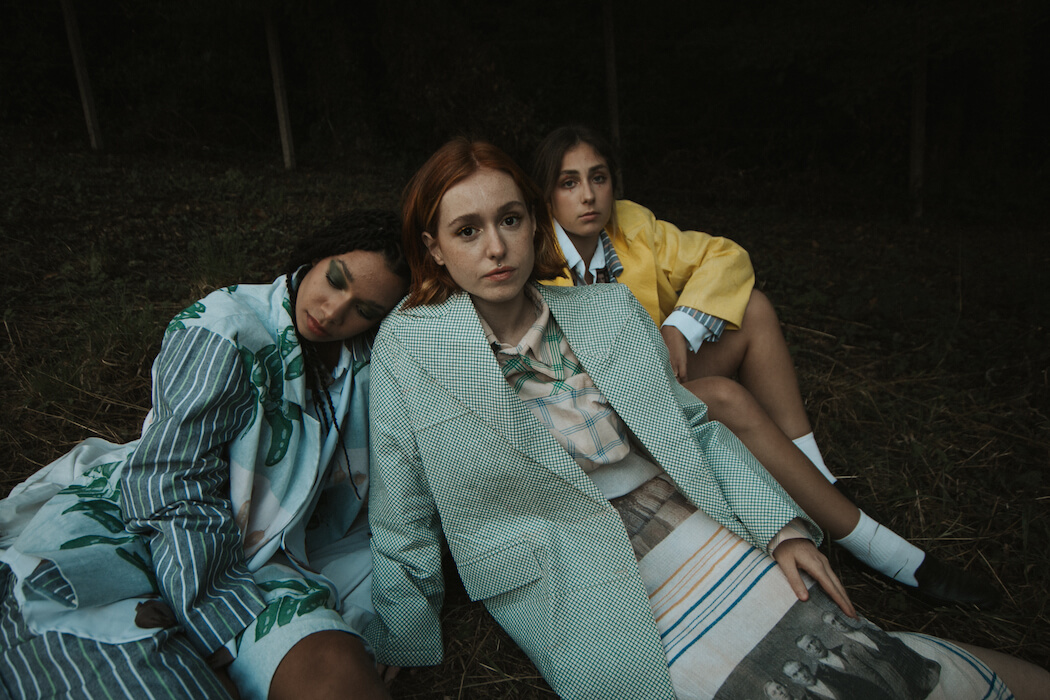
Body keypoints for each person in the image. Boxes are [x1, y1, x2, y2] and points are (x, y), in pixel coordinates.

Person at [364, 138, 1049, 699]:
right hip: (561, 568)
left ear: (533, 224)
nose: (495, 247)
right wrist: (402, 634)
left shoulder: (606, 310)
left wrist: (779, 529)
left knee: (859, 659)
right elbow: (402, 505)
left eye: (510, 220)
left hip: (680, 516)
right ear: (434, 247)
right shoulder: (408, 347)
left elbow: (694, 427)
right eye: (468, 230)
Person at [530, 124, 999, 608]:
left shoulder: (631, 224)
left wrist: (679, 328)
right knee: (727, 397)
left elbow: (726, 257)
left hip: (661, 375)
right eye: (569, 183)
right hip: (608, 416)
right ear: (545, 194)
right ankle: (880, 550)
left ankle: (819, 480)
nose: (588, 196)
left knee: (752, 309)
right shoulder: (534, 256)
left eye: (598, 177)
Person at [0, 210, 409, 700]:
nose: (334, 311)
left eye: (364, 309)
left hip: (277, 553)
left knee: (339, 679)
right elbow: (169, 482)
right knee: (136, 674)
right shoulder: (225, 329)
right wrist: (216, 620)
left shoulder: (367, 359)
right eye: (335, 280)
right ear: (317, 256)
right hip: (154, 528)